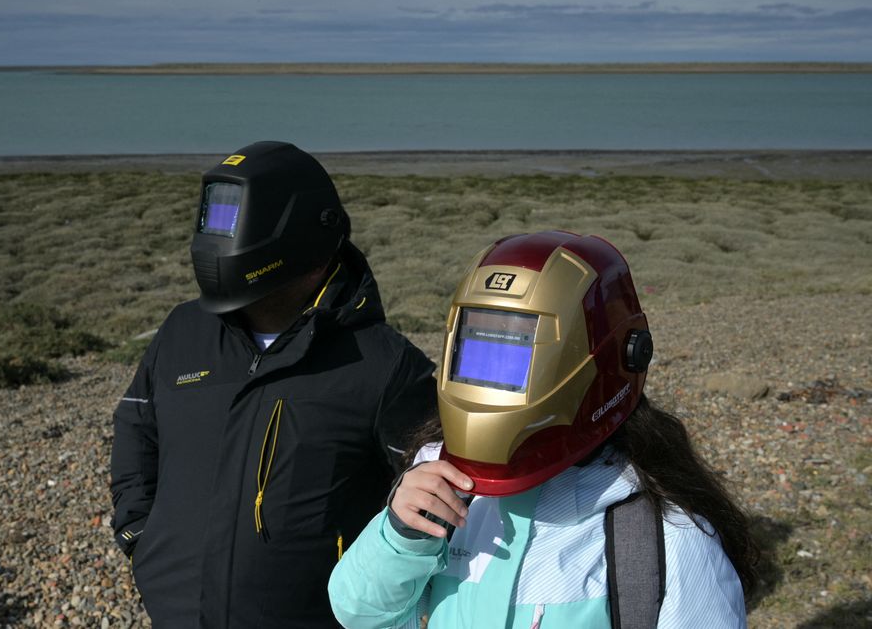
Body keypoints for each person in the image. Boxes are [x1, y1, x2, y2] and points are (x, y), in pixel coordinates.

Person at [328, 230, 759, 629]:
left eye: (513, 358)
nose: (486, 389)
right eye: (477, 352)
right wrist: (401, 537)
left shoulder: (667, 542)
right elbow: (361, 614)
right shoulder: (435, 486)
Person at [110, 141, 437, 628]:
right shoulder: (182, 332)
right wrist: (141, 537)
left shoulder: (385, 367)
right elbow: (138, 429)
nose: (218, 236)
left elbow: (428, 503)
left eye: (234, 218)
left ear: (303, 231)